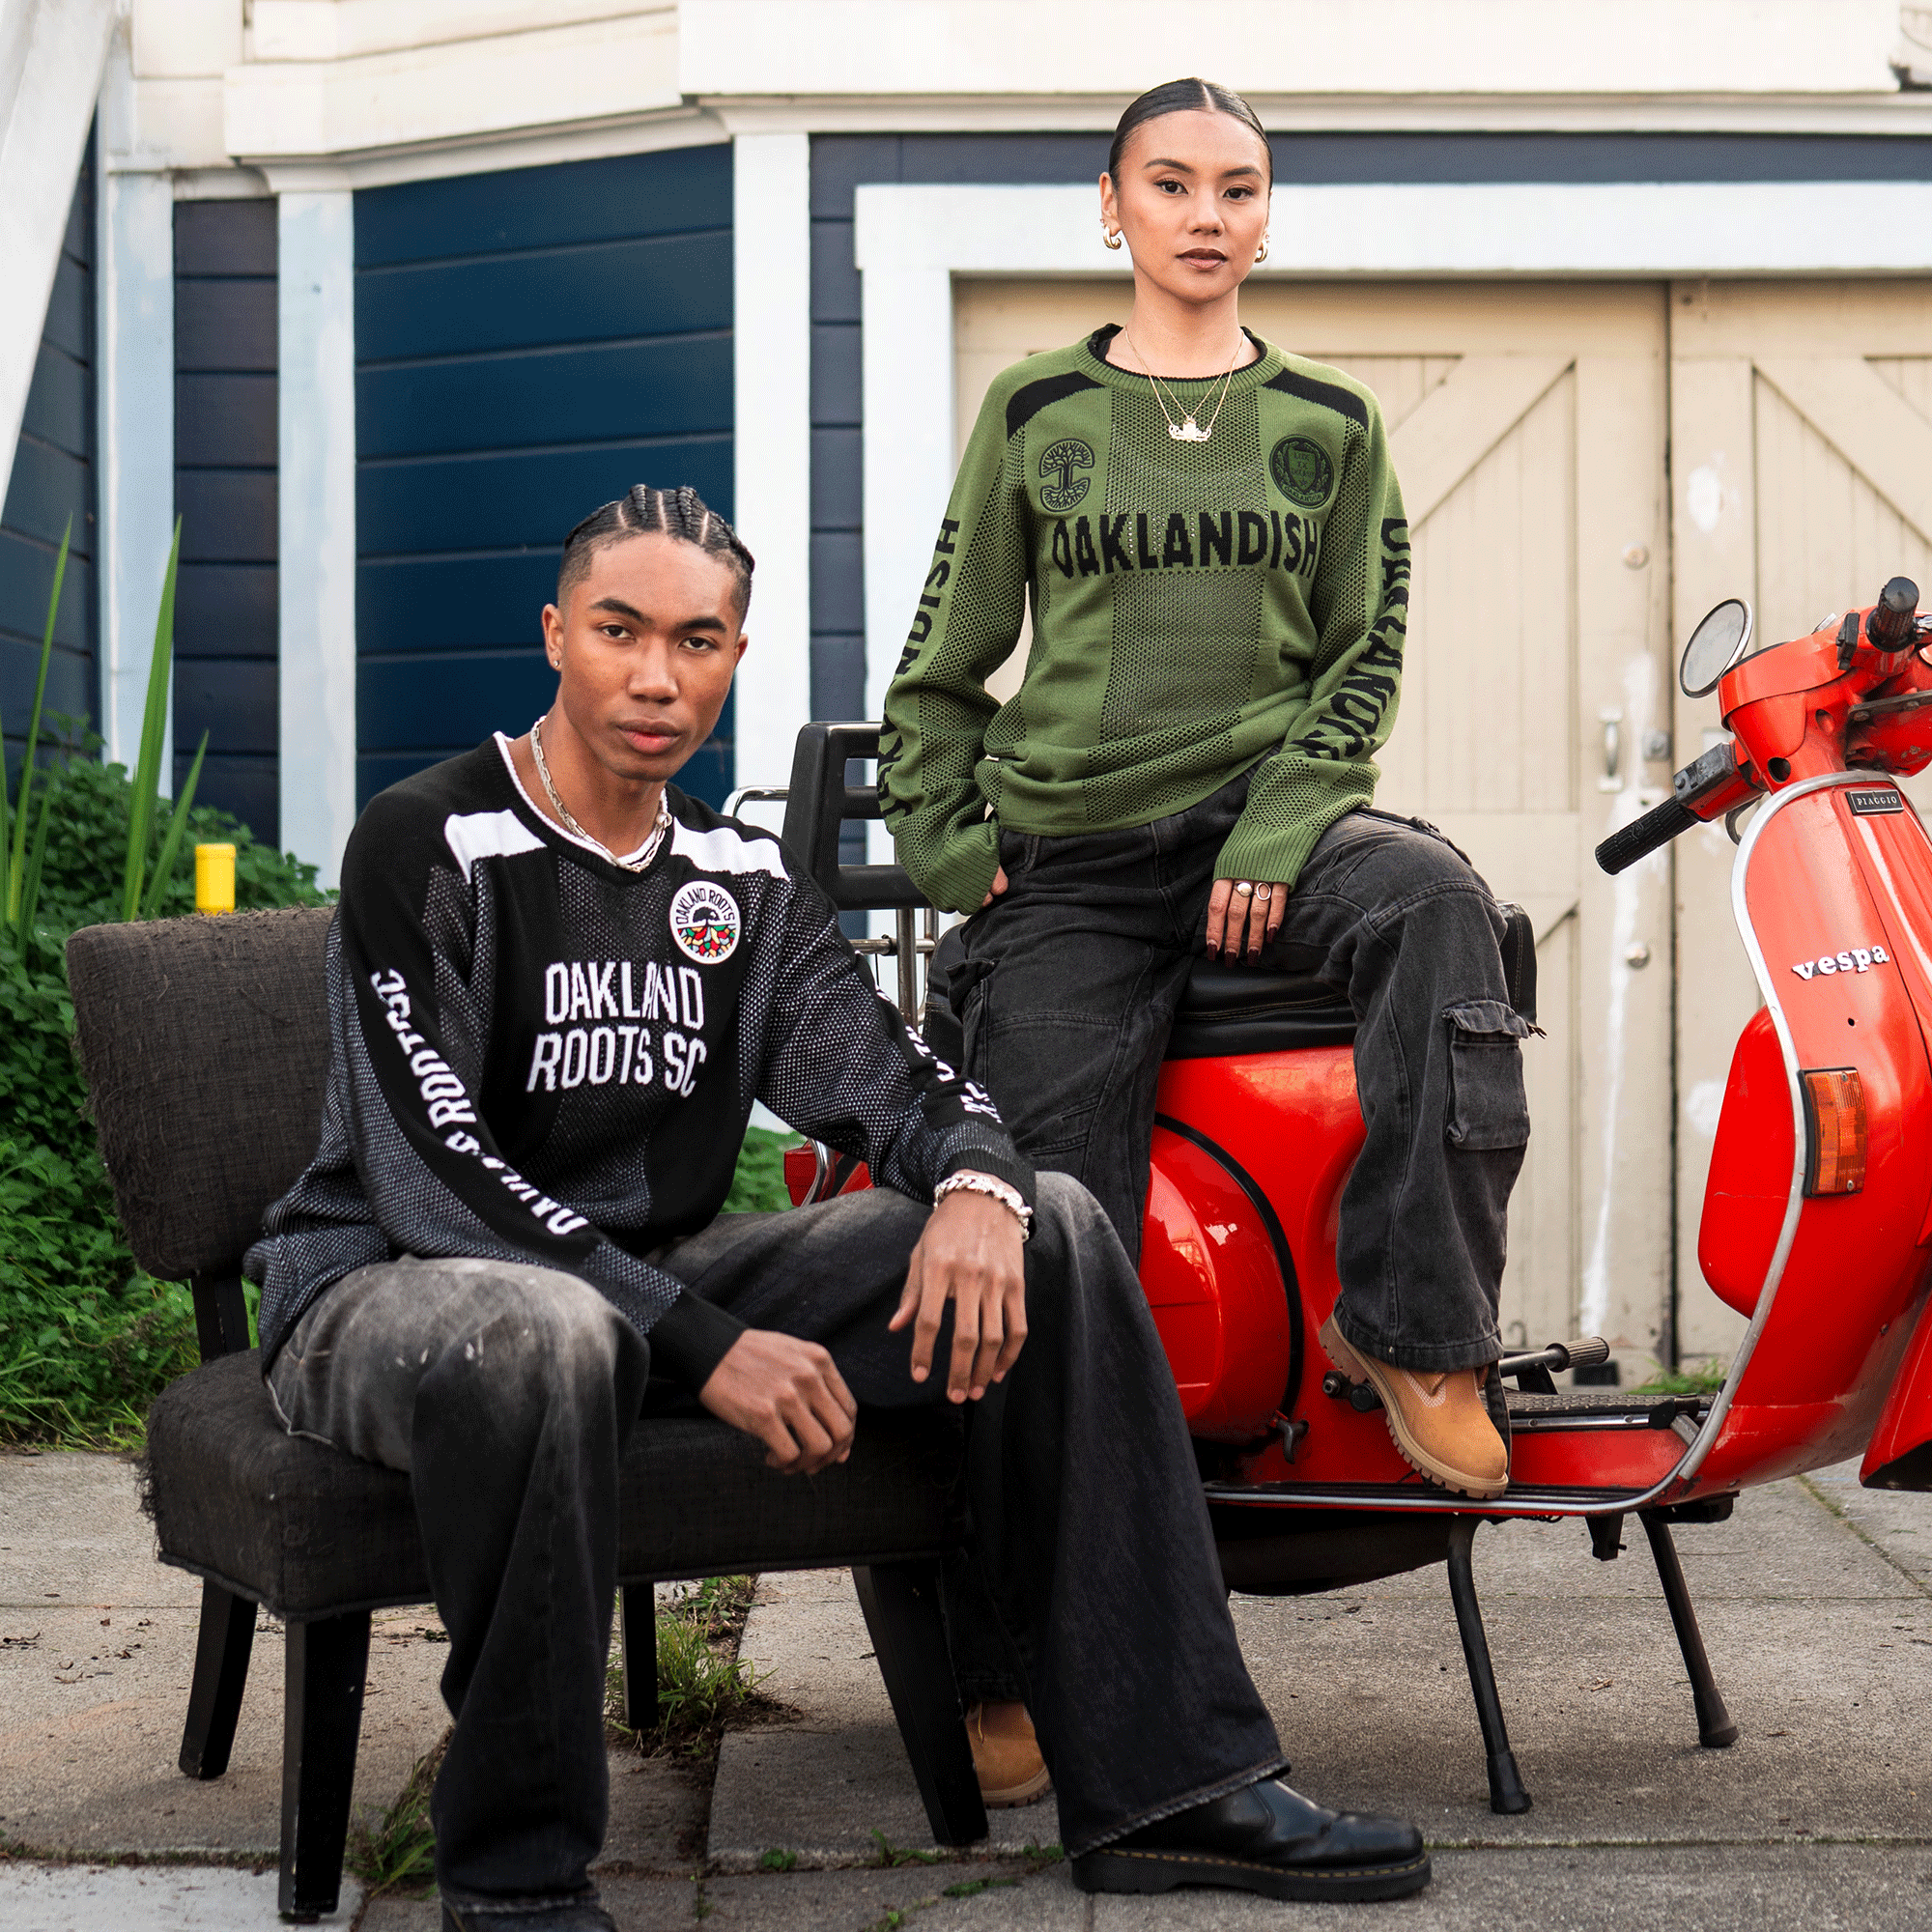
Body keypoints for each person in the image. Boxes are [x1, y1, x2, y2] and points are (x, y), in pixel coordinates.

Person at [244, 484, 1433, 1927]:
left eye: (698, 641)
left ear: (734, 659)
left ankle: (1174, 1788)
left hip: (652, 1267)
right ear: (557, 635)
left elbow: (887, 1078)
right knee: (544, 1333)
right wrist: (701, 1340)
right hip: (392, 1283)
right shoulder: (430, 841)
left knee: (1056, 1225)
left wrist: (984, 1184)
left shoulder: (734, 881)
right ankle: (515, 1880)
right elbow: (432, 1172)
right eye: (620, 631)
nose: (655, 677)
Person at [880, 75, 1529, 1519]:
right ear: (1111, 207)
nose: (1204, 214)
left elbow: (1364, 656)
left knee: (1438, 902)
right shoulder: (1038, 408)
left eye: (1237, 189)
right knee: (1043, 1231)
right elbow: (945, 653)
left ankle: (1418, 1331)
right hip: (1079, 856)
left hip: (1268, 832)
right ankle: (1012, 1649)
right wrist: (945, 838)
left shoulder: (1331, 421)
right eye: (1170, 184)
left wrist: (1285, 820)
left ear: (1265, 220)